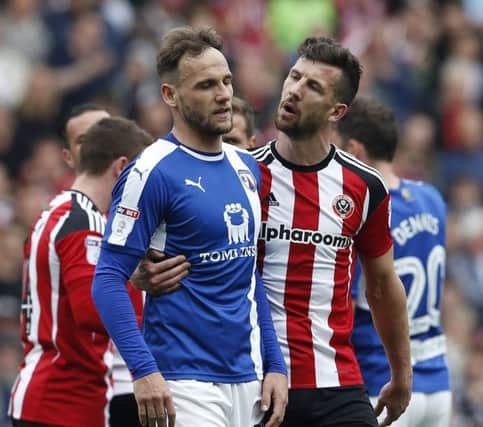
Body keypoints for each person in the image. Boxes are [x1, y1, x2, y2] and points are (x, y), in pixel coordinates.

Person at [136, 36, 412, 427]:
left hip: (337, 381)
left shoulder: (364, 186)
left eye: (312, 86)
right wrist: (138, 272)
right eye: (294, 76)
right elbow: (154, 246)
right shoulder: (243, 175)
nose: (295, 90)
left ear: (337, 110)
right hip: (257, 381)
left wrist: (402, 375)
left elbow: (383, 285)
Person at [91, 26, 288, 427]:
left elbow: (248, 277)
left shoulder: (247, 168)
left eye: (227, 81)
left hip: (247, 379)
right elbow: (108, 278)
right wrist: (144, 371)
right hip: (183, 380)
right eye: (206, 85)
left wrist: (275, 363)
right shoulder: (151, 171)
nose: (223, 95)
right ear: (170, 96)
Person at [9, 117, 152, 427]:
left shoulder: (57, 210)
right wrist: (150, 303)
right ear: (121, 167)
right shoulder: (84, 222)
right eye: (141, 177)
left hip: (52, 396)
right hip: (63, 402)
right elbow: (93, 310)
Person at [338, 98, 452, 426]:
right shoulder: (431, 199)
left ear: (354, 149)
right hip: (438, 383)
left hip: (383, 383)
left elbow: (356, 297)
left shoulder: (367, 210)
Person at [61, 104, 149, 427]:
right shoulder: (75, 222)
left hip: (136, 380)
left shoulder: (140, 212)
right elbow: (87, 309)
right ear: (71, 156)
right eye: (86, 139)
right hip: (97, 386)